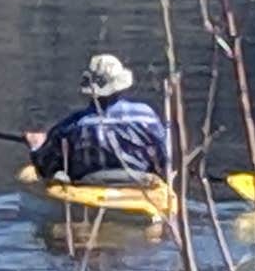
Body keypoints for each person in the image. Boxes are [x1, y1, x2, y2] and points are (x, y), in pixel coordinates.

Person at [27, 52, 171, 186]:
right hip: (139, 185)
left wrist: (36, 146)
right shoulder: (146, 116)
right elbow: (163, 156)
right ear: (120, 86)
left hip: (89, 187)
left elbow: (45, 168)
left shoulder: (71, 126)